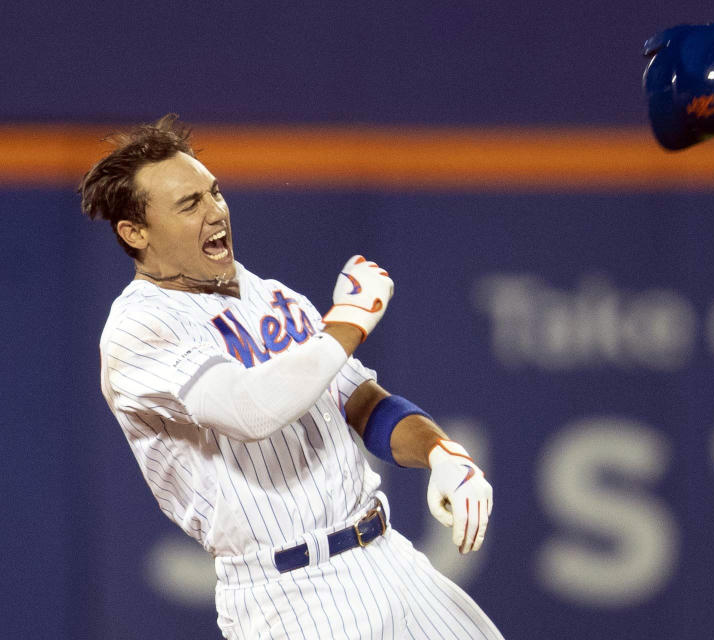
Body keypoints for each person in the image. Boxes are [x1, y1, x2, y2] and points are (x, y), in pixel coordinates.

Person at [80, 114, 503, 640]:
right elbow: (248, 409)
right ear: (135, 231)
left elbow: (359, 401)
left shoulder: (267, 294)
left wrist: (441, 452)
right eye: (189, 205)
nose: (216, 211)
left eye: (214, 192)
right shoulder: (138, 328)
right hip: (291, 597)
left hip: (390, 556)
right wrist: (348, 322)